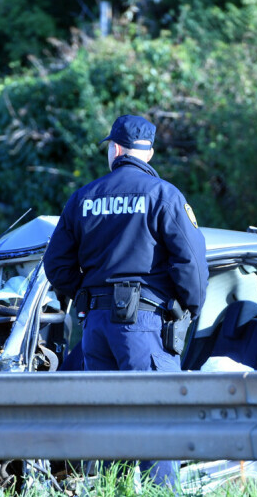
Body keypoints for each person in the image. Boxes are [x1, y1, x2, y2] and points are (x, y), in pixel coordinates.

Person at [43, 114, 208, 489]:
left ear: (115, 149)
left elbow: (56, 263)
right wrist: (186, 308)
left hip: (96, 328)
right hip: (144, 325)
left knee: (107, 428)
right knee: (158, 424)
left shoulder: (84, 198)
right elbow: (192, 266)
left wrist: (85, 296)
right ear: (148, 152)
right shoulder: (164, 195)